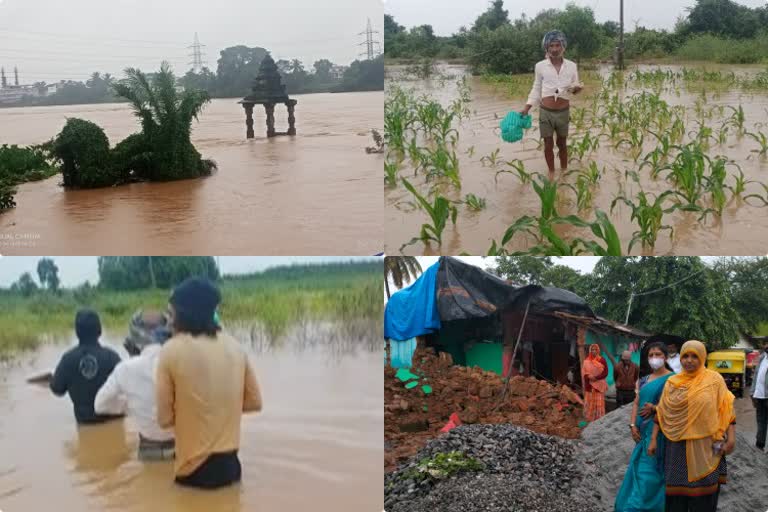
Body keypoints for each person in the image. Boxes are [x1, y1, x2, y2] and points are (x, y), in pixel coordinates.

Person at [156, 277, 263, 489]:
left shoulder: (170, 350)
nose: (169, 318)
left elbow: (164, 419)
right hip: (231, 466)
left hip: (193, 469)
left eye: (171, 312)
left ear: (182, 313)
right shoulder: (235, 347)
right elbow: (254, 403)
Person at [648, 340, 735, 512]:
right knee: (676, 501)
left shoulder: (714, 380)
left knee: (704, 500)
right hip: (677, 448)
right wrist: (653, 440)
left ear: (702, 357)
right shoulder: (672, 383)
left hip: (707, 447)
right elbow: (662, 412)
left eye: (694, 356)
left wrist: (731, 438)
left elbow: (726, 409)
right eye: (685, 356)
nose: (689, 360)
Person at [94, 310, 175, 461]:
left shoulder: (125, 368)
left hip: (150, 450)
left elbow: (100, 405)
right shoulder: (182, 362)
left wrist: (130, 405)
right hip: (184, 449)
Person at [615, 342, 675, 512]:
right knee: (638, 469)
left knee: (650, 473)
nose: (654, 358)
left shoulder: (673, 380)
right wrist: (633, 425)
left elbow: (672, 408)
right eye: (651, 355)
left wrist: (655, 409)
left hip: (659, 434)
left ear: (665, 357)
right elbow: (636, 403)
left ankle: (642, 506)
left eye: (658, 354)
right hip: (640, 434)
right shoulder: (643, 380)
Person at [520, 30, 583, 180]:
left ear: (563, 47)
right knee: (548, 144)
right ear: (547, 48)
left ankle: (564, 172)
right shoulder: (540, 66)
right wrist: (526, 108)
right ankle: (551, 173)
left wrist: (577, 89)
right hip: (546, 111)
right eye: (551, 46)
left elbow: (574, 88)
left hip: (563, 111)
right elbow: (536, 88)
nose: (555, 49)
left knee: (562, 143)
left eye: (558, 45)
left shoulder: (572, 66)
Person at [50, 309, 123, 424]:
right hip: (113, 422)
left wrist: (55, 377)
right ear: (99, 330)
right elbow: (126, 388)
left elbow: (57, 390)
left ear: (77, 332)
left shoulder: (68, 360)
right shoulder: (112, 357)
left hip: (86, 424)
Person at [582, 343, 609, 421]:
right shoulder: (586, 361)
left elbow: (606, 372)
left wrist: (596, 378)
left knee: (598, 402)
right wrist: (589, 377)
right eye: (592, 349)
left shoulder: (602, 360)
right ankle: (589, 417)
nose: (594, 351)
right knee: (589, 402)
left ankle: (599, 418)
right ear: (590, 351)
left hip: (599, 385)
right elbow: (584, 373)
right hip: (589, 386)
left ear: (598, 350)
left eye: (595, 349)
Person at [750, 339, 768, 451]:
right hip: (760, 396)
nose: (766, 346)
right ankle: (760, 444)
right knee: (761, 420)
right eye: (766, 344)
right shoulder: (762, 358)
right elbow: (756, 377)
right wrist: (752, 393)